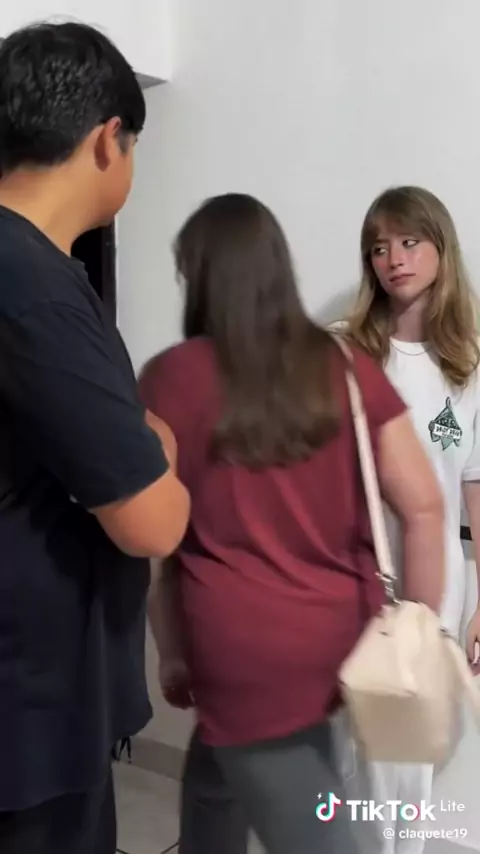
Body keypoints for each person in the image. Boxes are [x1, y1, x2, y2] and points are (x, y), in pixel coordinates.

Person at [140, 192, 445, 854]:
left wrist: (172, 648)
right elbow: (424, 506)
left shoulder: (169, 379)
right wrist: (417, 634)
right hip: (341, 641)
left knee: (316, 830)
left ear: (199, 275)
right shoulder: (347, 367)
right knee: (220, 778)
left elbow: (155, 535)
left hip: (240, 650)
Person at [0, 22, 190, 854]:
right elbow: (154, 519)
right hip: (32, 715)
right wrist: (160, 446)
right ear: (109, 139)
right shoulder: (37, 287)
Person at [342, 185, 480, 853]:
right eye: (378, 248)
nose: (393, 259)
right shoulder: (348, 353)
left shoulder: (468, 364)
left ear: (440, 248)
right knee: (359, 750)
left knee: (415, 755)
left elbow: (474, 483)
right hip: (356, 573)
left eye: (408, 242)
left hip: (440, 583)